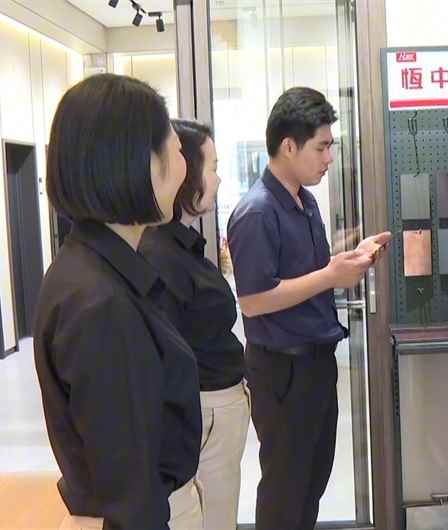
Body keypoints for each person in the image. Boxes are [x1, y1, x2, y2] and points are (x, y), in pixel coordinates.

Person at [34, 73, 203, 530]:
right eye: (177, 151)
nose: (184, 169)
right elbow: (130, 488)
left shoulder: (95, 268)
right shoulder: (99, 301)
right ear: (137, 162)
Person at [227, 86, 390, 530]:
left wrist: (348, 257)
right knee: (286, 489)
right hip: (283, 371)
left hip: (316, 363)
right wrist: (332, 275)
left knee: (311, 481)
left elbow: (307, 271)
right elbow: (254, 300)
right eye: (321, 147)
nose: (329, 158)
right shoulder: (257, 212)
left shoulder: (305, 200)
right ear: (288, 146)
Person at [139, 119, 249, 530]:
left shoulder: (182, 245)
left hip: (219, 407)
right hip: (205, 411)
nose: (217, 179)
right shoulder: (159, 254)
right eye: (212, 167)